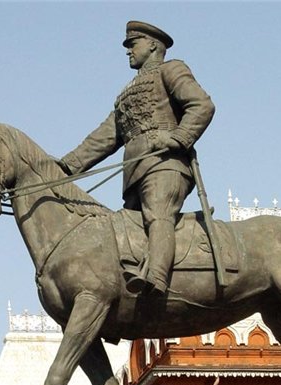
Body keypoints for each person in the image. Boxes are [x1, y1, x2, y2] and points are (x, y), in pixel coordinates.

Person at [59, 21, 215, 295]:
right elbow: (104, 138)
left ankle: (156, 279)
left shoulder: (171, 69)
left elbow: (201, 105)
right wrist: (64, 167)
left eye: (133, 44)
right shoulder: (126, 94)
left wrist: (178, 137)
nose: (128, 51)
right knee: (128, 233)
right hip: (135, 171)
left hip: (165, 164)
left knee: (158, 214)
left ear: (152, 44)